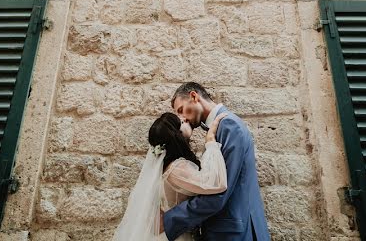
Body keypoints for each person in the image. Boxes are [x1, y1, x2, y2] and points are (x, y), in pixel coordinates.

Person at [162, 82, 271, 241]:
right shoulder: (219, 127)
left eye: (181, 110)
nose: (182, 118)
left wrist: (171, 219)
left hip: (236, 233)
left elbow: (219, 191)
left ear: (194, 96)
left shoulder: (229, 125)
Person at [113, 110, 229, 241]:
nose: (185, 119)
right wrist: (211, 141)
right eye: (180, 121)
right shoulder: (176, 168)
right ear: (175, 134)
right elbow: (215, 183)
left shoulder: (170, 165)